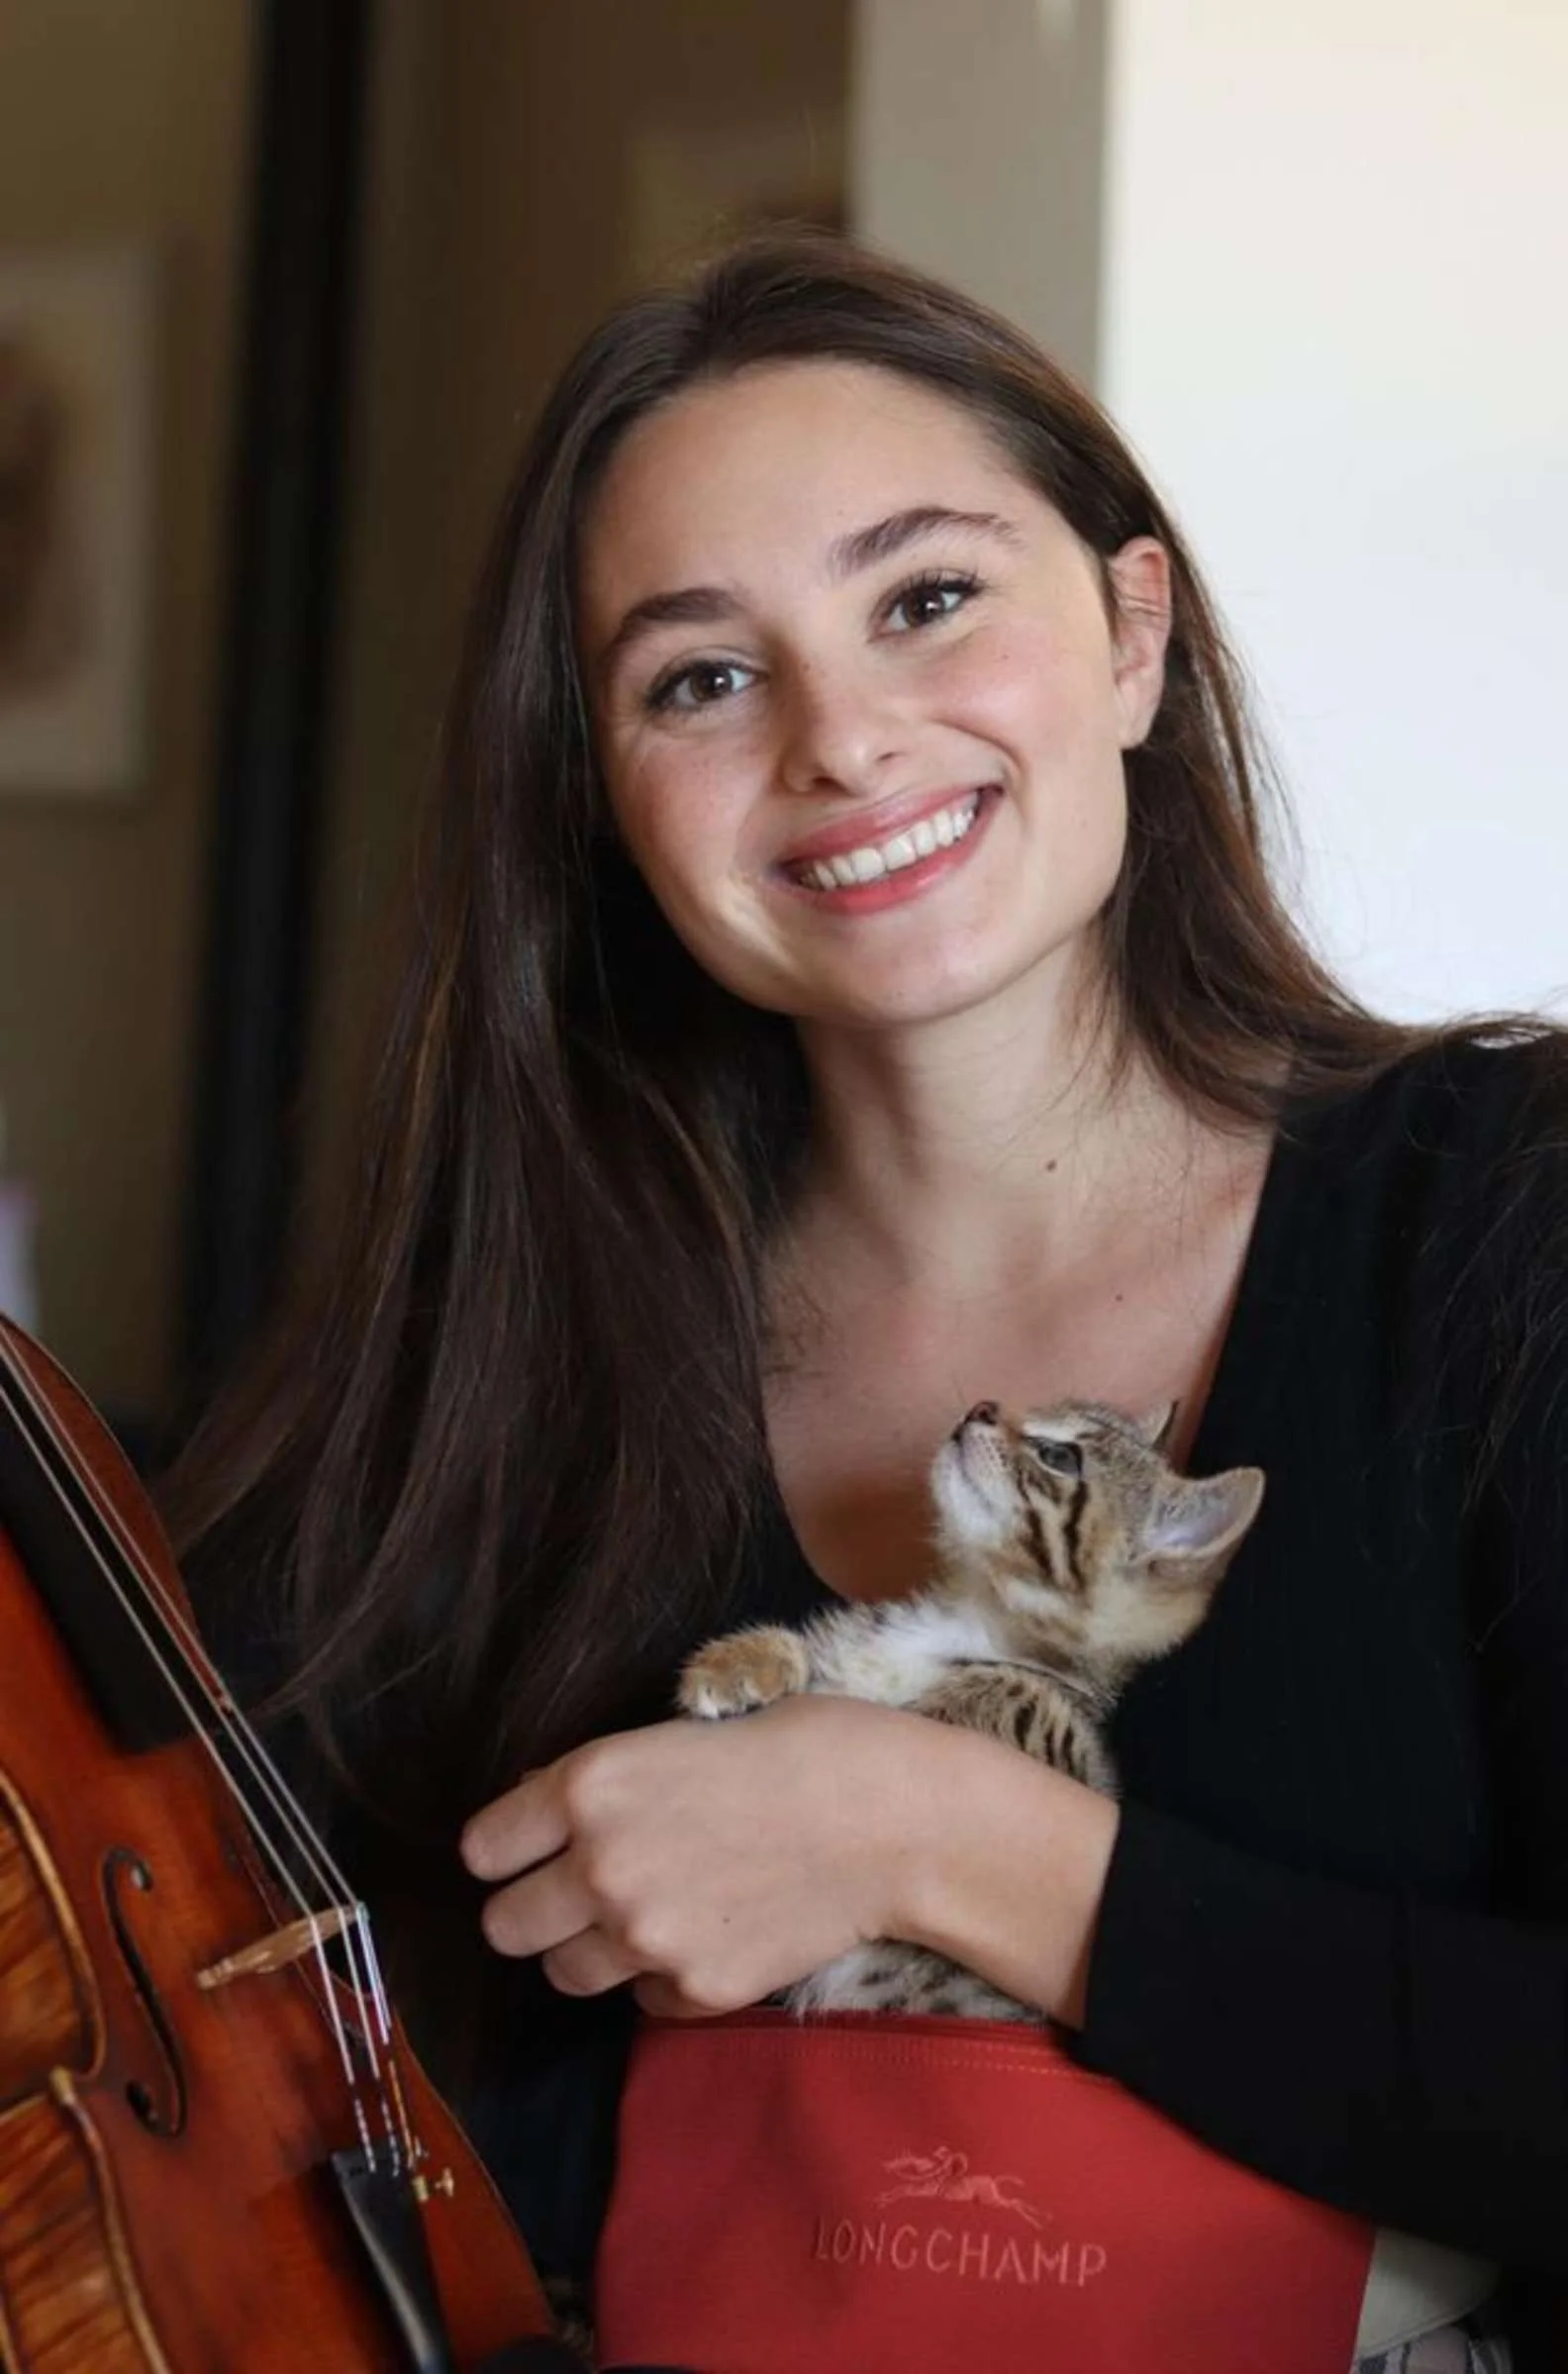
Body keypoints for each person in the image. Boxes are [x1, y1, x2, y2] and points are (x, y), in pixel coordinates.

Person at [171, 234, 1568, 2369]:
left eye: (924, 598)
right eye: (699, 679)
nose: (840, 738)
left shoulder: (1510, 1214)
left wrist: (948, 1839)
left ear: (1132, 635)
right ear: (602, 798)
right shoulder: (504, 1340)